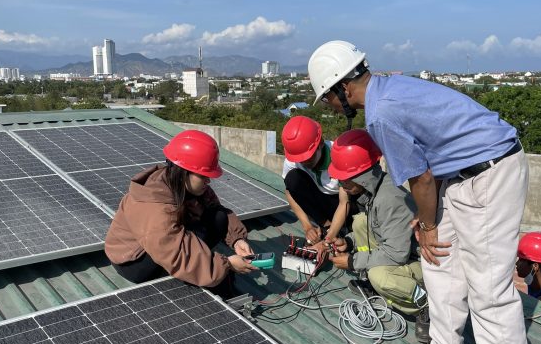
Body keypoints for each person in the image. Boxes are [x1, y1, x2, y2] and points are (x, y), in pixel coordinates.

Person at [308, 40, 530, 344]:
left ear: (343, 88)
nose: (328, 105)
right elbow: (434, 150)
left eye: (327, 96)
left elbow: (421, 178)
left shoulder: (380, 114)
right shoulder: (388, 87)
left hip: (490, 173)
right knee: (437, 260)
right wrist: (431, 216)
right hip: (458, 175)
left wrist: (428, 223)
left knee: (488, 289)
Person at [105, 130, 257, 298]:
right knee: (206, 273)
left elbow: (215, 208)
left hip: (163, 243)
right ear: (183, 172)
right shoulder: (154, 206)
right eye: (203, 175)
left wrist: (237, 240)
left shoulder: (183, 184)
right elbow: (173, 249)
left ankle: (198, 267)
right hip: (135, 260)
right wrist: (226, 265)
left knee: (218, 216)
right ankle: (192, 272)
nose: (208, 180)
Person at [326, 129, 430, 343]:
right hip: (401, 252)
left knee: (380, 276)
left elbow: (397, 255)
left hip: (422, 264)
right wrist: (348, 242)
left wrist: (353, 261)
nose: (341, 185)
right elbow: (378, 230)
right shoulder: (376, 190)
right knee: (360, 222)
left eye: (344, 180)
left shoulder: (389, 199)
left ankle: (425, 304)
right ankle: (373, 282)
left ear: (362, 177)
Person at [281, 115, 356, 245]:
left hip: (346, 204)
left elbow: (345, 202)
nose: (304, 162)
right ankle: (325, 225)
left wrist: (329, 238)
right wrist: (308, 227)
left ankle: (343, 230)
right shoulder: (293, 160)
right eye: (300, 159)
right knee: (293, 179)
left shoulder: (339, 157)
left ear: (320, 143)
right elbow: (290, 193)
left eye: (309, 157)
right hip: (322, 205)